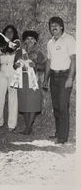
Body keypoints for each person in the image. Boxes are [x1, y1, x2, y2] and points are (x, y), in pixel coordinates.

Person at [42, 16, 76, 144]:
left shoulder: (69, 39)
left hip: (64, 77)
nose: (53, 27)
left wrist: (70, 78)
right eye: (51, 26)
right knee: (56, 107)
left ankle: (63, 137)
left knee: (63, 106)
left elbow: (74, 60)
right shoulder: (50, 43)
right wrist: (46, 79)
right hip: (54, 78)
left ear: (62, 26)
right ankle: (58, 133)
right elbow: (48, 61)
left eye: (56, 25)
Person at [12, 30, 47, 135]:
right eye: (27, 39)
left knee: (33, 103)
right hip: (22, 79)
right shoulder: (19, 52)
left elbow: (44, 66)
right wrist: (16, 65)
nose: (30, 40)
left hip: (33, 80)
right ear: (25, 41)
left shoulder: (39, 53)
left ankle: (28, 127)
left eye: (32, 39)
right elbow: (14, 65)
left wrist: (36, 65)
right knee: (24, 104)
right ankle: (28, 127)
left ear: (35, 40)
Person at [0, 25, 19, 132]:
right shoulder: (0, 44)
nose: (9, 34)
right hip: (3, 70)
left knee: (13, 96)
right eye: (7, 32)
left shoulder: (17, 44)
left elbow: (20, 56)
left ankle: (12, 125)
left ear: (14, 34)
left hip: (13, 71)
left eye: (11, 32)